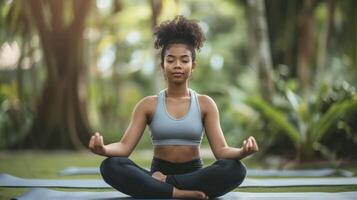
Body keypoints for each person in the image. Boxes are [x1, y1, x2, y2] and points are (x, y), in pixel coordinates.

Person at [88, 15, 259, 199]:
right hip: (158, 170)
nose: (177, 65)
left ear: (193, 66)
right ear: (162, 65)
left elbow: (222, 151)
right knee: (111, 166)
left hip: (190, 175)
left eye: (184, 60)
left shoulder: (205, 103)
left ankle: (165, 187)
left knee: (235, 169)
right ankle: (180, 194)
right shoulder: (148, 104)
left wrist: (242, 152)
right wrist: (103, 150)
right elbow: (124, 147)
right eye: (171, 60)